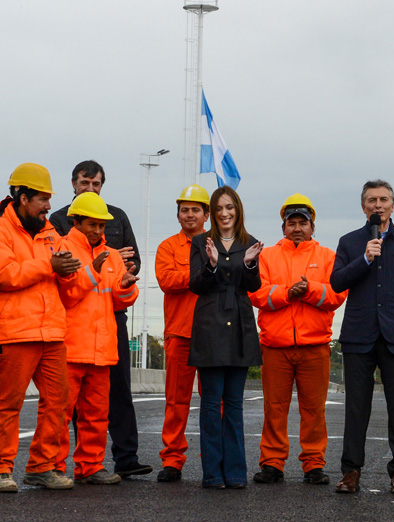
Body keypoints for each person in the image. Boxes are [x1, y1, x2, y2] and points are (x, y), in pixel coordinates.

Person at [50, 160, 151, 478]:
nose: (98, 230)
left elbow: (124, 297)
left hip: (104, 347)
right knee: (61, 412)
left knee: (96, 413)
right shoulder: (64, 248)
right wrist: (93, 271)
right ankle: (51, 466)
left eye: (102, 225)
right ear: (75, 221)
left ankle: (90, 466)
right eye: (92, 224)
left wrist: (125, 288)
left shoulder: (111, 253)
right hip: (72, 345)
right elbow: (66, 295)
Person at [330, 179, 394, 495]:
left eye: (384, 199)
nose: (378, 205)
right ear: (363, 206)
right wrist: (365, 259)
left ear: (393, 205)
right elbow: (336, 282)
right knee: (356, 408)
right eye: (371, 200)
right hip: (359, 335)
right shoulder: (349, 242)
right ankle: (350, 471)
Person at [249, 194, 346, 486]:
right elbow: (255, 294)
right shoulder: (266, 256)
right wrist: (286, 294)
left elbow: (337, 294)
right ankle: (272, 463)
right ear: (283, 228)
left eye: (303, 222)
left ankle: (313, 464)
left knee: (314, 410)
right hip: (275, 347)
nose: (297, 228)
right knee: (274, 409)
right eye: (291, 223)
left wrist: (310, 290)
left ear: (312, 226)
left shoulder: (328, 256)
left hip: (315, 346)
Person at [0, 164, 80, 492]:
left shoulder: (50, 231)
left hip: (52, 332)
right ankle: (2, 469)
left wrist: (67, 272)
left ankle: (41, 466)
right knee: (8, 403)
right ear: (21, 197)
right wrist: (49, 265)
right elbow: (6, 274)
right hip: (16, 332)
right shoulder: (2, 229)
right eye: (42, 199)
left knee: (58, 401)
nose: (48, 206)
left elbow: (69, 273)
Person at [189, 186, 263, 489]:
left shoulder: (250, 242)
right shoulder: (200, 242)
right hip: (209, 325)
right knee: (210, 405)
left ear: (238, 209)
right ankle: (212, 473)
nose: (224, 213)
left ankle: (235, 473)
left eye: (230, 207)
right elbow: (195, 284)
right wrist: (211, 264)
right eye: (219, 208)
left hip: (240, 328)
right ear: (213, 211)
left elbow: (254, 285)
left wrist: (248, 263)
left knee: (233, 405)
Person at [155, 184, 210, 482]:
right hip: (179, 333)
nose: (189, 215)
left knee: (215, 401)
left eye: (195, 210)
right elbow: (166, 280)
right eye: (184, 210)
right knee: (176, 401)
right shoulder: (167, 247)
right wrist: (204, 273)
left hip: (213, 335)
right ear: (178, 214)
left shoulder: (218, 244)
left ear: (207, 215)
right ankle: (172, 460)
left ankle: (213, 459)